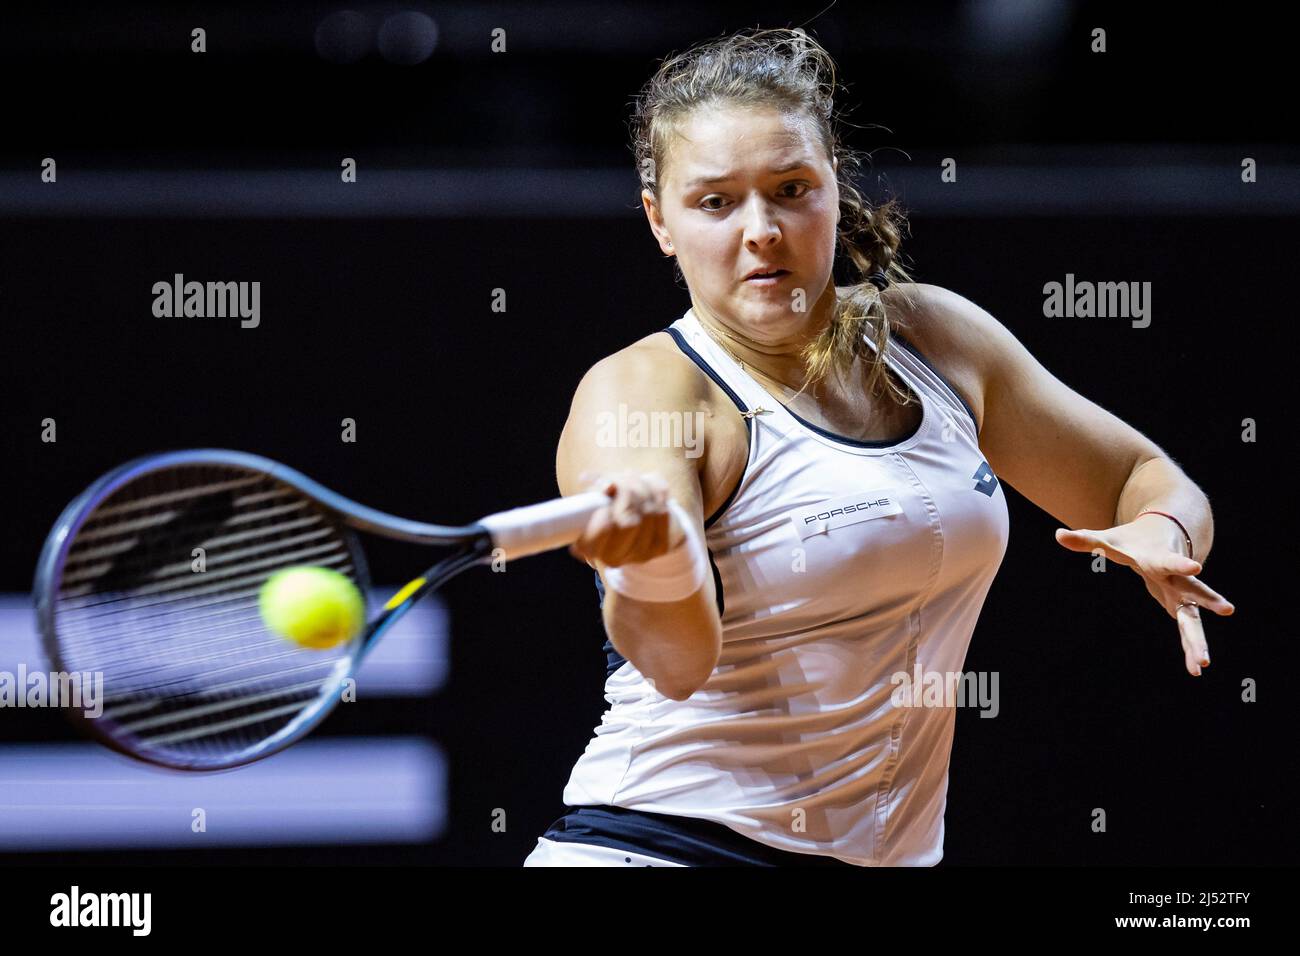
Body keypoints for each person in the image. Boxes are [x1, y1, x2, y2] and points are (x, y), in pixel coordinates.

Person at [523, 27, 1233, 867]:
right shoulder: (643, 393)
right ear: (660, 222)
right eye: (715, 202)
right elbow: (677, 663)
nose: (763, 230)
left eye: (792, 188)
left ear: (834, 187)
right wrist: (651, 564)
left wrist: (1165, 535)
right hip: (665, 850)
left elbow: (1145, 479)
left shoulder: (934, 338)